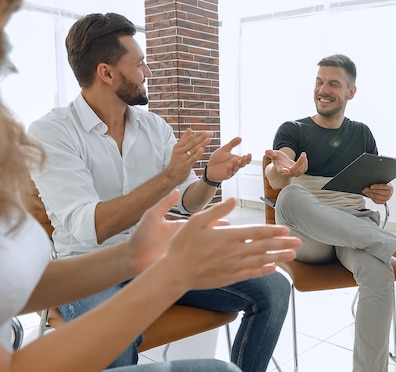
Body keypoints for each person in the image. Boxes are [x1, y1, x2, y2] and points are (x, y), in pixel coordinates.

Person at [0, 3, 301, 372]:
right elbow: (87, 227)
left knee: (274, 287)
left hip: (152, 256)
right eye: (139, 63)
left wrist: (210, 178)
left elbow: (187, 203)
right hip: (87, 267)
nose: (147, 71)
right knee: (115, 339)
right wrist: (168, 178)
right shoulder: (52, 132)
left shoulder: (153, 127)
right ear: (106, 73)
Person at [264, 54, 396, 372]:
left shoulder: (362, 134)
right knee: (289, 195)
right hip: (308, 236)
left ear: (350, 92)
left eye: (333, 83)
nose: (323, 89)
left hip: (353, 229)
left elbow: (373, 185)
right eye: (319, 81)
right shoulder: (293, 129)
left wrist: (381, 192)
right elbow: (277, 173)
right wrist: (283, 170)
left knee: (378, 274)